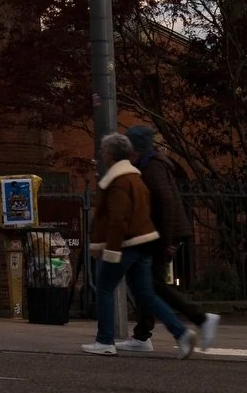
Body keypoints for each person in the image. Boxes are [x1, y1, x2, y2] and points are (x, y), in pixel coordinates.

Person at [82, 131, 196, 357]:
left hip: (126, 244)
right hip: (144, 243)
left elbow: (118, 219)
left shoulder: (120, 180)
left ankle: (105, 340)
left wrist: (110, 250)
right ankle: (181, 333)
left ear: (112, 154)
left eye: (104, 151)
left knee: (104, 288)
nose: (102, 155)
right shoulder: (136, 177)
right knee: (146, 294)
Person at [119, 124, 219, 353]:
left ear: (137, 147)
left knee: (151, 286)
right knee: (147, 285)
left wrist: (168, 241)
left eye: (129, 144)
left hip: (160, 236)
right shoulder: (149, 164)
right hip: (157, 235)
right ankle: (142, 336)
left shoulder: (152, 167)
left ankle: (201, 319)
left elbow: (166, 203)